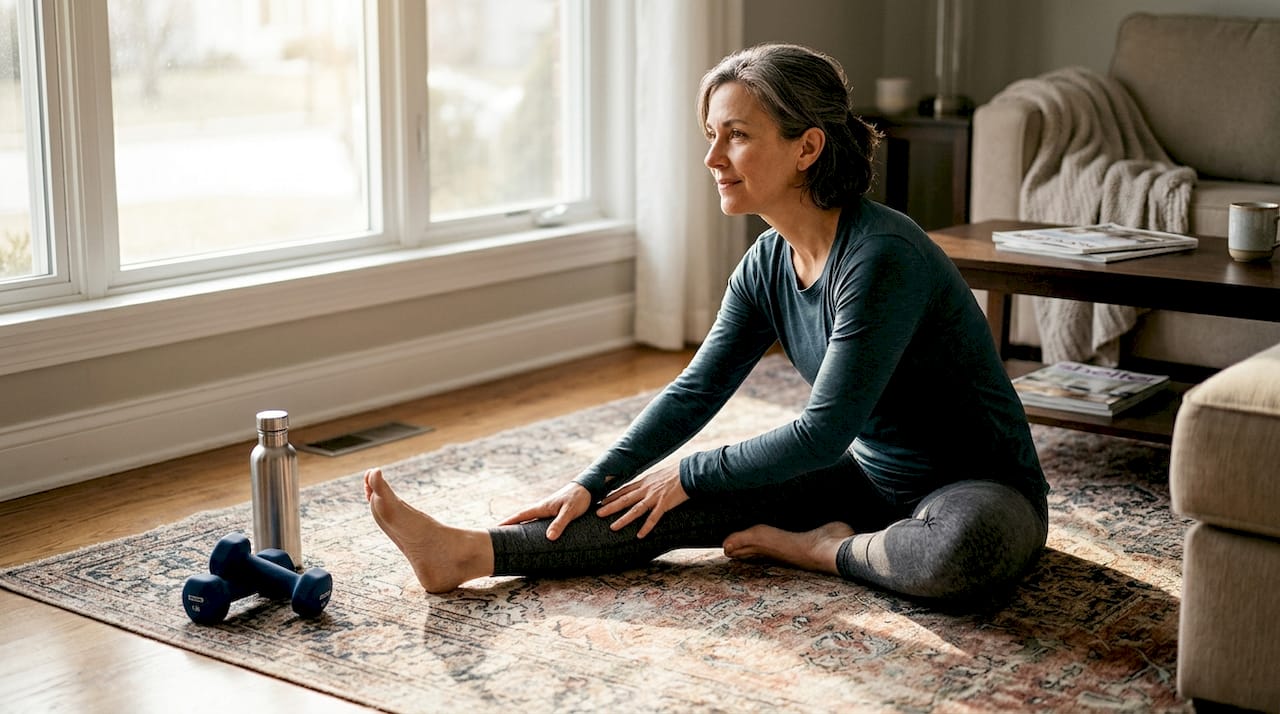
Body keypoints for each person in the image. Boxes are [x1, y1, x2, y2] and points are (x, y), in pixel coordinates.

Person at [364, 43, 1049, 606]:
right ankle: (467, 553)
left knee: (956, 557)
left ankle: (818, 549)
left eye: (737, 136)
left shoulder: (882, 257)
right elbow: (696, 392)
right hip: (869, 483)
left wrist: (691, 470)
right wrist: (594, 480)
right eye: (711, 136)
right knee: (658, 502)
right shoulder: (765, 264)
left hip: (978, 492)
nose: (712, 158)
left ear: (806, 146)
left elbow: (823, 432)